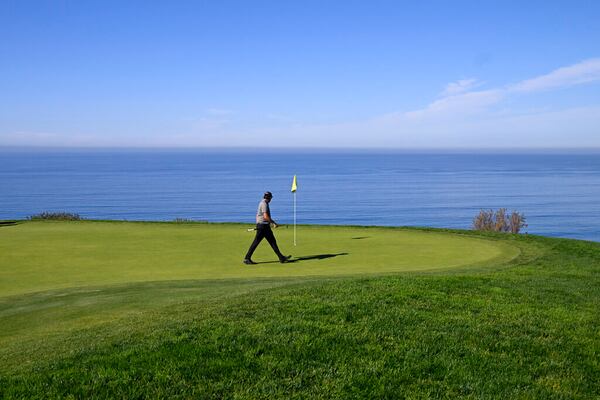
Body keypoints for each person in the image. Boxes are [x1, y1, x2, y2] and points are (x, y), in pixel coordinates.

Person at [244, 191, 291, 265]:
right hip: (263, 227)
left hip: (263, 226)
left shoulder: (262, 203)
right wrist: (273, 223)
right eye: (271, 198)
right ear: (269, 198)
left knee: (270, 242)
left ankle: (281, 257)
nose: (271, 200)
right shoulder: (264, 204)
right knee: (267, 242)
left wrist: (266, 223)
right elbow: (265, 217)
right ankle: (247, 258)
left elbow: (258, 216)